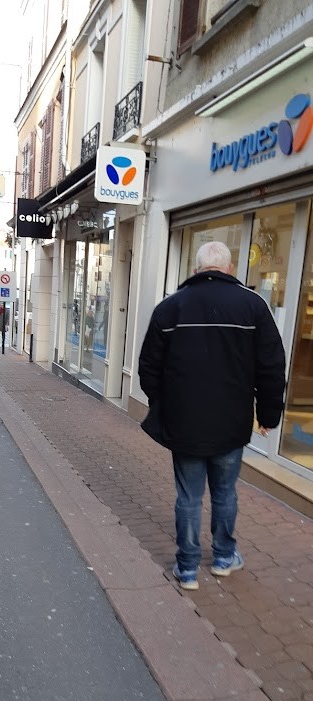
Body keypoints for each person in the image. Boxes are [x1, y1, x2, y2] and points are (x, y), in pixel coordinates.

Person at [138, 241, 286, 591]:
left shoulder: (170, 308)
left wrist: (164, 404)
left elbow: (148, 369)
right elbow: (271, 366)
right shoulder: (253, 306)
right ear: (230, 269)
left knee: (188, 496)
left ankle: (187, 568)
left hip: (184, 421)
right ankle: (223, 558)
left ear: (196, 269)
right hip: (230, 422)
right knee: (225, 493)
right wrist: (268, 414)